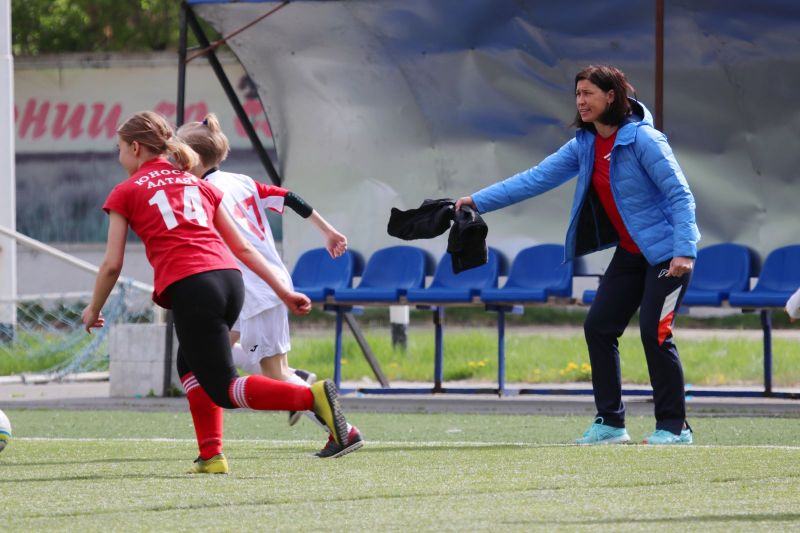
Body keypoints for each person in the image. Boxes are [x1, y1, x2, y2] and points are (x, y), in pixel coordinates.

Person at [81, 111, 353, 473]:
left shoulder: (126, 191)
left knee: (225, 389)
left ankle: (310, 396)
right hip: (231, 282)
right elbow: (243, 249)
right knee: (189, 364)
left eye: (119, 148)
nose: (119, 156)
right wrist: (283, 292)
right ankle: (210, 455)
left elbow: (111, 265)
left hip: (193, 288)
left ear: (134, 148)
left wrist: (93, 308)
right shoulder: (200, 184)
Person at [456, 65, 700, 445]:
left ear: (611, 96)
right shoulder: (585, 144)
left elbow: (680, 194)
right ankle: (611, 424)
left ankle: (674, 426)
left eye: (588, 93)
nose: (580, 101)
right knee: (598, 326)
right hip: (631, 253)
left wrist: (684, 251)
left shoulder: (644, 139)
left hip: (667, 256)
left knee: (654, 332)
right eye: (577, 94)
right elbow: (535, 178)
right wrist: (476, 201)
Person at [176, 113, 363, 458]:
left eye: (177, 154)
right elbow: (291, 198)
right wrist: (328, 231)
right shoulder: (242, 181)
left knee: (273, 374)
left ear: (193, 158)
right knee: (208, 356)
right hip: (248, 288)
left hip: (258, 290)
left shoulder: (203, 191)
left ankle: (344, 431)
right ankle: (215, 444)